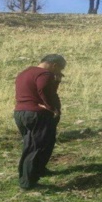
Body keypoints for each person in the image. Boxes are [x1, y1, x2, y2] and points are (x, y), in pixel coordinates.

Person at [14, 54, 66, 190]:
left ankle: (38, 170)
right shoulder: (45, 74)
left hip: (21, 112)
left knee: (35, 144)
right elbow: (43, 89)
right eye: (59, 69)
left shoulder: (25, 72)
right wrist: (51, 107)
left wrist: (56, 82)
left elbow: (35, 91)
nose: (59, 73)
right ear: (54, 65)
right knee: (37, 147)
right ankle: (28, 182)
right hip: (37, 114)